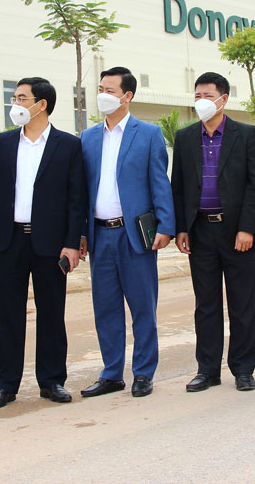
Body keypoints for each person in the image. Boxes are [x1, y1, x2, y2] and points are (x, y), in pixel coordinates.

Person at [0, 77, 86, 409]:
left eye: (21, 98)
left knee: (52, 314)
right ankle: (5, 385)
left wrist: (72, 242)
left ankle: (52, 381)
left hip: (51, 243)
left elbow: (76, 199)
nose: (15, 104)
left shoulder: (68, 145)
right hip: (11, 240)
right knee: (7, 315)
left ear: (41, 104)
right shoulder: (6, 141)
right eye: (15, 98)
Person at [77, 67, 175, 399]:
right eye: (100, 88)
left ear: (127, 95)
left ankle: (143, 373)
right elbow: (81, 191)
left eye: (110, 90)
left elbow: (159, 182)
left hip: (135, 235)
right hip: (99, 235)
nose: (102, 95)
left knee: (143, 307)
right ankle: (111, 374)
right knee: (106, 308)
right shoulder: (88, 137)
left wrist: (166, 226)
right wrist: (81, 233)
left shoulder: (148, 134)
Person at [171, 72, 255, 393]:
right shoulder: (185, 137)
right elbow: (178, 186)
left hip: (237, 232)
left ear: (223, 100)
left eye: (208, 96)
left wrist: (247, 228)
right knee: (206, 306)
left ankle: (243, 369)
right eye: (197, 95)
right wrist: (181, 228)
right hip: (200, 232)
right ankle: (207, 370)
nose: (201, 101)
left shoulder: (246, 134)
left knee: (242, 304)